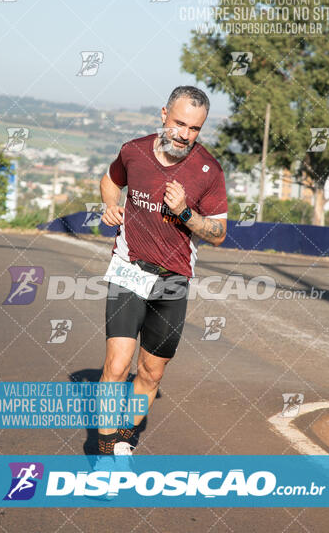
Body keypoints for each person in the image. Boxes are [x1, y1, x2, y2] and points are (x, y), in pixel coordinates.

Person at [98, 86, 228, 456]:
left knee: (151, 372)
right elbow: (111, 181)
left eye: (194, 129)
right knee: (118, 363)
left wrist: (187, 213)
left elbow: (218, 234)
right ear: (163, 115)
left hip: (173, 280)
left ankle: (123, 439)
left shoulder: (208, 171)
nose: (184, 135)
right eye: (179, 123)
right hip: (129, 268)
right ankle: (107, 453)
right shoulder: (134, 151)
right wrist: (110, 205)